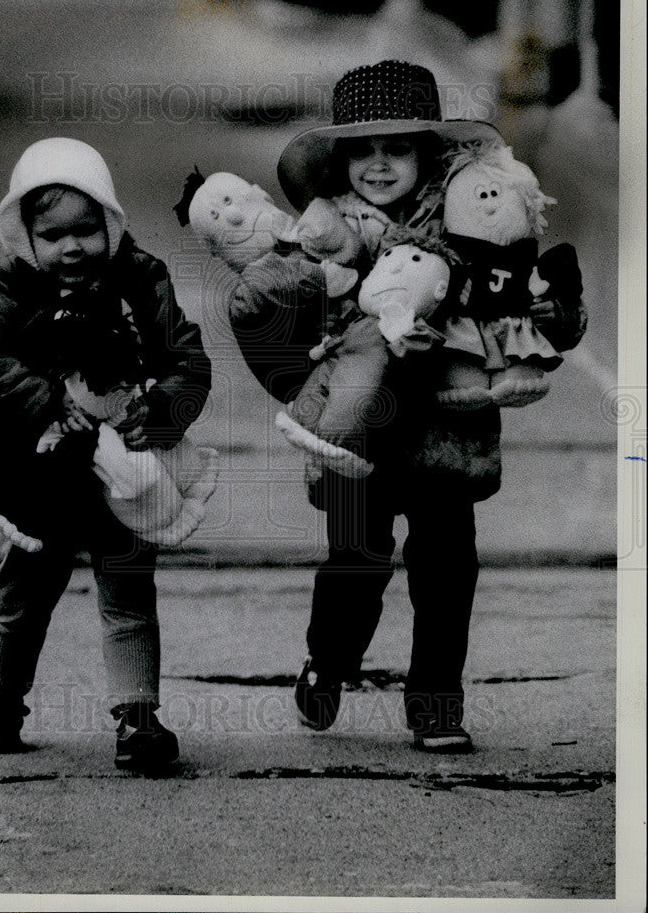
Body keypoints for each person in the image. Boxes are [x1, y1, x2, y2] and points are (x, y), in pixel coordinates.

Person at [234, 60, 586, 752]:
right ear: (340, 161)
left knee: (447, 571)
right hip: (360, 435)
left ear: (431, 153)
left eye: (397, 148)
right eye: (361, 150)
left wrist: (555, 310)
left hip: (446, 429)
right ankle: (328, 662)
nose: (378, 164)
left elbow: (524, 300)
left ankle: (436, 701)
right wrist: (301, 377)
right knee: (354, 567)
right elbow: (270, 309)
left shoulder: (479, 217)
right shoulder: (324, 231)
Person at [0, 137, 211, 769]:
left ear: (112, 221)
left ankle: (137, 716)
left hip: (123, 469)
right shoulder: (14, 285)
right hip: (39, 464)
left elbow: (186, 361)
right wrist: (45, 401)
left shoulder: (140, 280)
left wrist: (156, 414)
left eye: (86, 229)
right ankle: (2, 698)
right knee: (23, 589)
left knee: (128, 587)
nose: (72, 247)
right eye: (52, 235)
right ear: (27, 238)